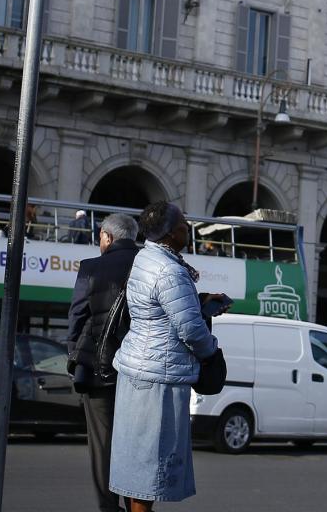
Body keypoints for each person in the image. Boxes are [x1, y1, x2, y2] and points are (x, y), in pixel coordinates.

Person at [109, 203, 218, 509]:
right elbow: (192, 330)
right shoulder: (170, 271)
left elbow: (163, 311)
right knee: (149, 468)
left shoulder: (145, 257)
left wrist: (201, 302)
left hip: (137, 369)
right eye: (184, 224)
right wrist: (211, 351)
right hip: (158, 376)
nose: (188, 229)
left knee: (136, 465)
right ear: (171, 233)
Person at [67, 212, 142, 512]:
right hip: (139, 372)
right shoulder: (147, 266)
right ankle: (136, 505)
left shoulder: (91, 268)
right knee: (135, 446)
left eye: (100, 237)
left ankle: (109, 508)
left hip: (99, 373)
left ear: (108, 238)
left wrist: (77, 355)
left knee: (103, 445)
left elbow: (76, 318)